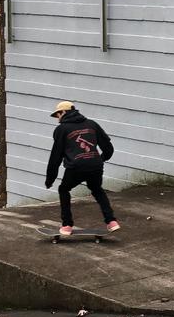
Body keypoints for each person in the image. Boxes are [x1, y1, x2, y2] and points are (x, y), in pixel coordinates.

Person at [45, 101, 119, 236]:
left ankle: (67, 225)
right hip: (95, 165)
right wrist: (99, 159)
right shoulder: (92, 124)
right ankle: (111, 221)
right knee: (97, 190)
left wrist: (50, 179)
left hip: (76, 167)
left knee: (63, 189)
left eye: (58, 115)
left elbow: (56, 156)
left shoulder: (62, 129)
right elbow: (108, 147)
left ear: (63, 112)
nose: (58, 119)